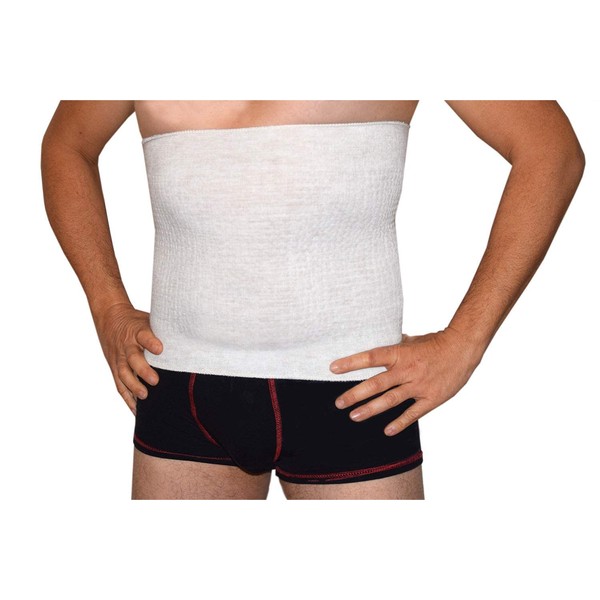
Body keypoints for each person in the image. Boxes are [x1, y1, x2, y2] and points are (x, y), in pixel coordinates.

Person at [40, 100, 585, 500]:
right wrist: (107, 306)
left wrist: (465, 343)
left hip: (356, 393)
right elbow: (67, 145)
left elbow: (551, 150)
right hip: (181, 385)